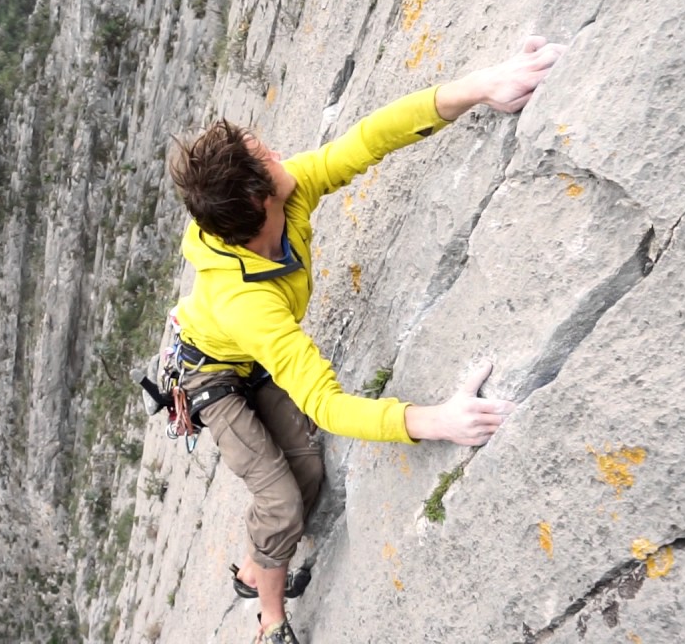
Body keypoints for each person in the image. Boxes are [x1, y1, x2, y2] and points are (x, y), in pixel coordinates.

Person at [165, 36, 567, 644]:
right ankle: (269, 621)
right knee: (279, 504)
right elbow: (326, 402)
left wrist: (482, 86)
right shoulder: (245, 301)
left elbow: (364, 141)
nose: (280, 154)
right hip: (210, 375)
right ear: (255, 199)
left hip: (250, 355)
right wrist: (436, 420)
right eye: (266, 155)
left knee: (306, 471)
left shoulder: (283, 197)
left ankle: (254, 569)